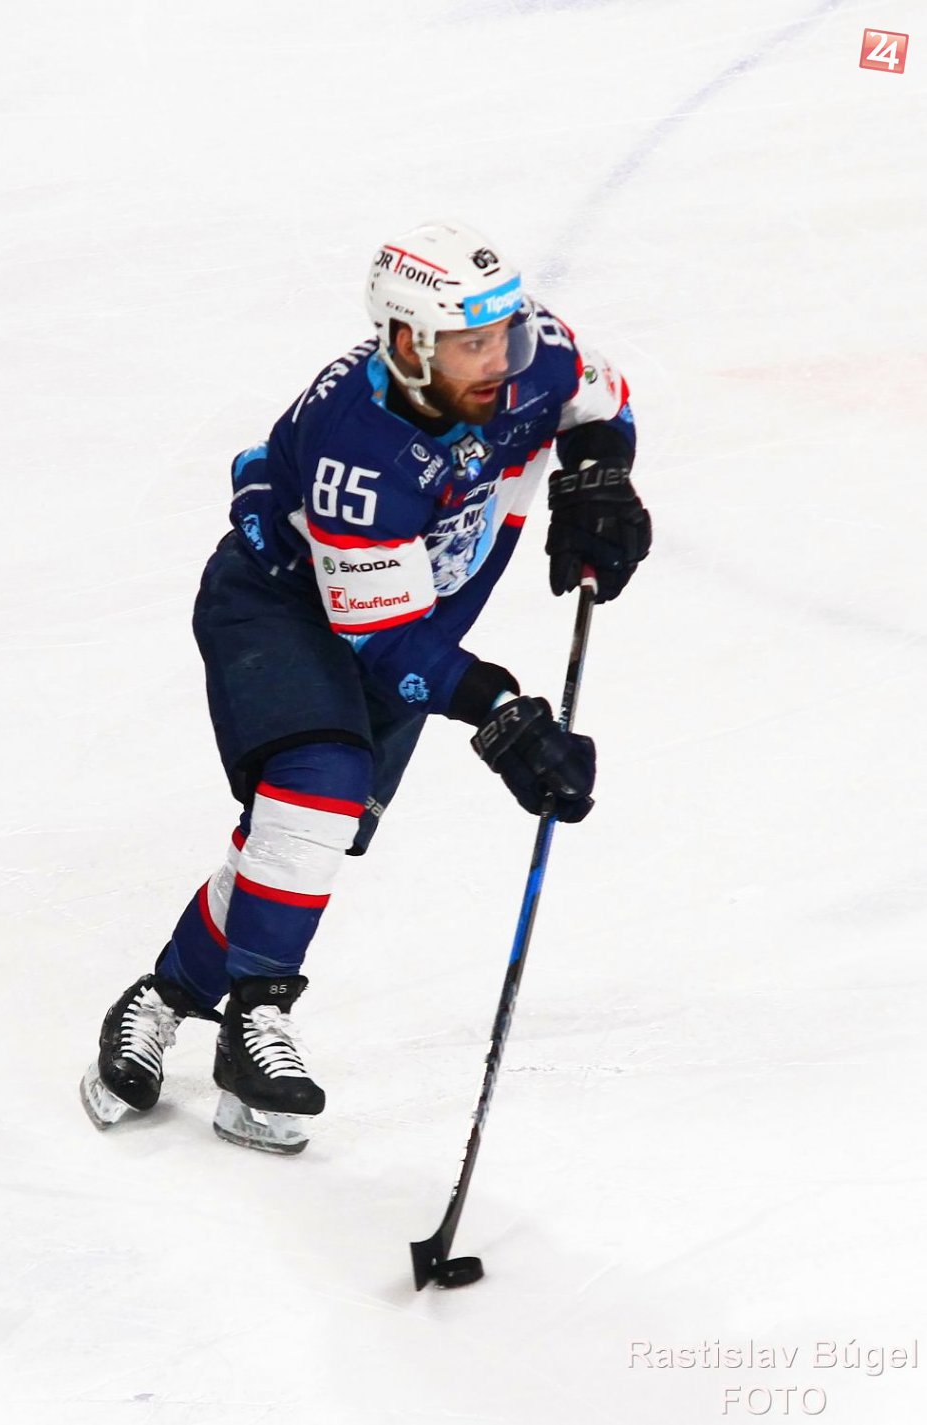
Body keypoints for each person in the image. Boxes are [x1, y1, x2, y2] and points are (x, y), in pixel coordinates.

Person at [80, 220, 651, 1154]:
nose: (499, 360)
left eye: (503, 334)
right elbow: (380, 640)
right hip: (283, 608)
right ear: (407, 344)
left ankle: (162, 996)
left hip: (403, 619)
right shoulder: (361, 447)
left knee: (299, 839)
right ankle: (258, 1022)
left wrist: (599, 478)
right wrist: (501, 712)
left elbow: (599, 401)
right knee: (319, 784)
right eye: (471, 344)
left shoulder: (533, 355)